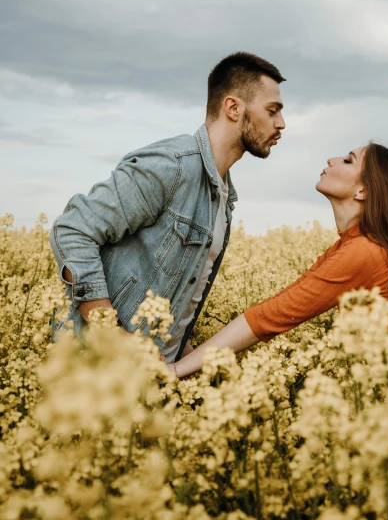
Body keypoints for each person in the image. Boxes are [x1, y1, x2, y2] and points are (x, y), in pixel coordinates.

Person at [172, 142, 388, 378]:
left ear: (364, 191)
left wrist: (179, 369)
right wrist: (195, 355)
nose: (330, 159)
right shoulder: (355, 246)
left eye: (348, 160)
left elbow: (270, 317)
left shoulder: (363, 253)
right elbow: (281, 305)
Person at [50, 52, 286, 362]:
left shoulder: (223, 196)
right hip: (98, 372)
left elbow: (177, 301)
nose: (281, 123)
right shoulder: (172, 166)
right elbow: (73, 229)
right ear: (233, 107)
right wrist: (111, 335)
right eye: (272, 111)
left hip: (152, 382)